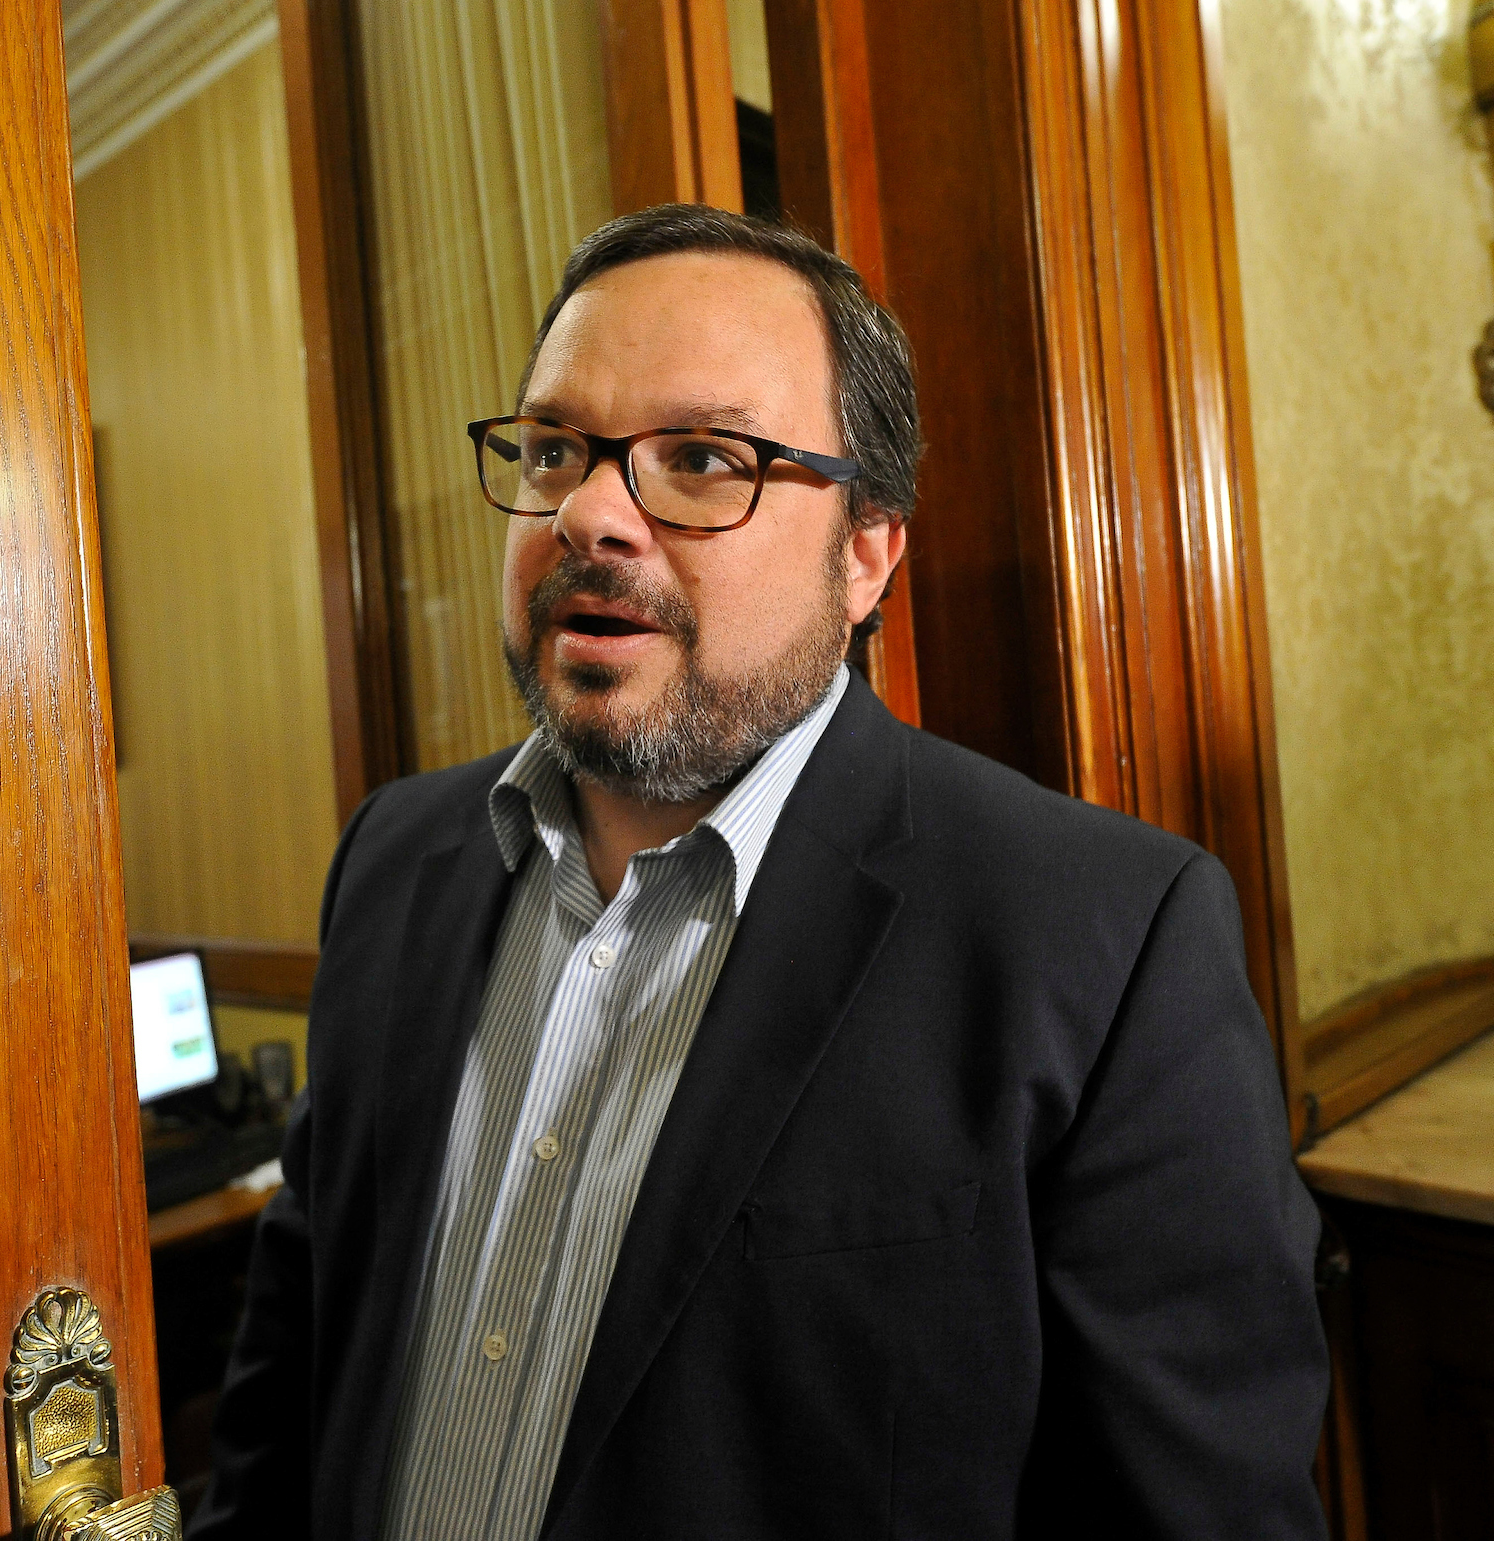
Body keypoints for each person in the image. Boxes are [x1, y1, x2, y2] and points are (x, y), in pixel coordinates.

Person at [189, 204, 1328, 1540]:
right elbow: (287, 1393)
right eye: (553, 448)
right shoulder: (393, 863)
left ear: (866, 552)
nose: (590, 514)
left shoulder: (1104, 942)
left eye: (700, 459)